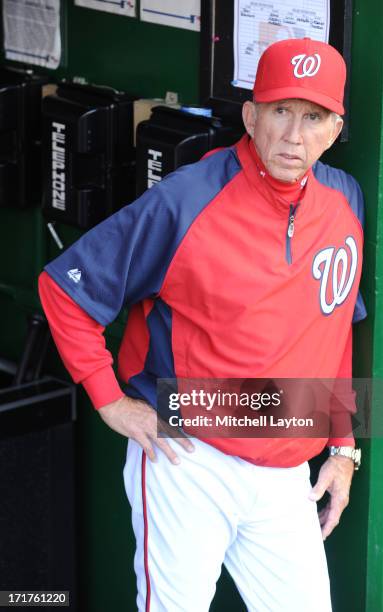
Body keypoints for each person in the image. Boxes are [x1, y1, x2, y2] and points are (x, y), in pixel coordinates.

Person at [39, 37, 366, 612]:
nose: (294, 135)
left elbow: (335, 324)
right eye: (280, 111)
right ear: (250, 115)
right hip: (187, 456)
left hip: (285, 469)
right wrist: (109, 399)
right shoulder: (187, 200)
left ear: (335, 127)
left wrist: (341, 446)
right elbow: (65, 290)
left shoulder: (344, 201)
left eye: (313, 117)